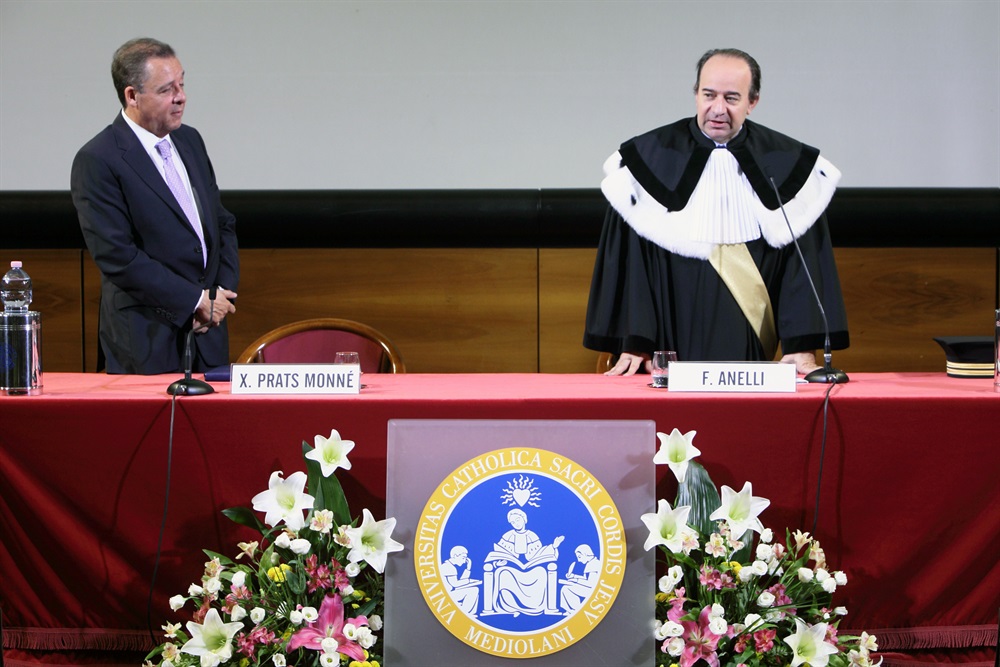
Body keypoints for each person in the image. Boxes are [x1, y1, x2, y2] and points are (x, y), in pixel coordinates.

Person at [584, 48, 848, 376]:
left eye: (731, 98)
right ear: (696, 94)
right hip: (664, 362)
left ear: (753, 102)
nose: (718, 109)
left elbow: (802, 270)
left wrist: (801, 345)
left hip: (751, 366)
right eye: (709, 95)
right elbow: (630, 266)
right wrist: (634, 340)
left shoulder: (789, 165)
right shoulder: (647, 161)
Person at [71, 37, 239, 374]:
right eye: (166, 89)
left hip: (209, 332)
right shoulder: (99, 159)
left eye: (182, 84)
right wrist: (194, 301)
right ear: (132, 95)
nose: (181, 96)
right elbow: (118, 256)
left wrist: (219, 295)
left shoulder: (190, 140)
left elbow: (221, 223)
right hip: (146, 339)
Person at [441, 545, 481, 616]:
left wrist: (468, 568)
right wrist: (469, 581)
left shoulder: (450, 566)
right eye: (463, 558)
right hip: (446, 595)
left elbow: (461, 582)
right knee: (473, 590)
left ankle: (471, 614)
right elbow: (455, 584)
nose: (464, 561)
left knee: (474, 589)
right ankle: (464, 613)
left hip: (449, 593)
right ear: (455, 556)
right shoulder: (448, 567)